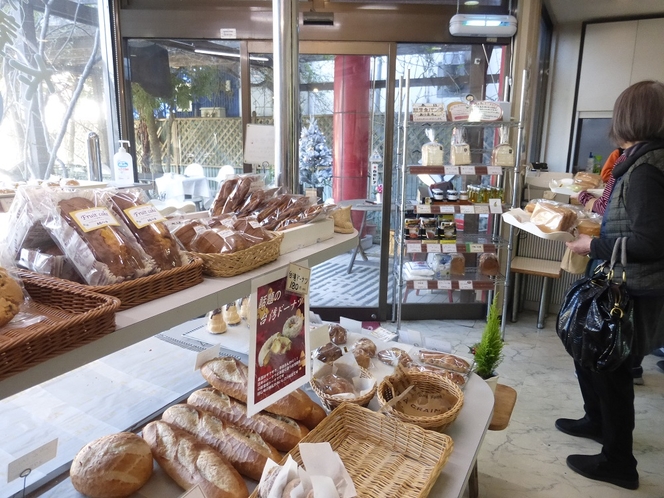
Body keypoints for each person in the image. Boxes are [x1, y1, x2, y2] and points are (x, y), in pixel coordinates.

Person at [561, 80, 664, 490]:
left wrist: (593, 243)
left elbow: (650, 241)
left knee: (612, 370)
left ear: (629, 118)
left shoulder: (646, 170)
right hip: (626, 280)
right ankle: (597, 421)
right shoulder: (642, 160)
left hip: (633, 286)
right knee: (591, 354)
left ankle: (618, 462)